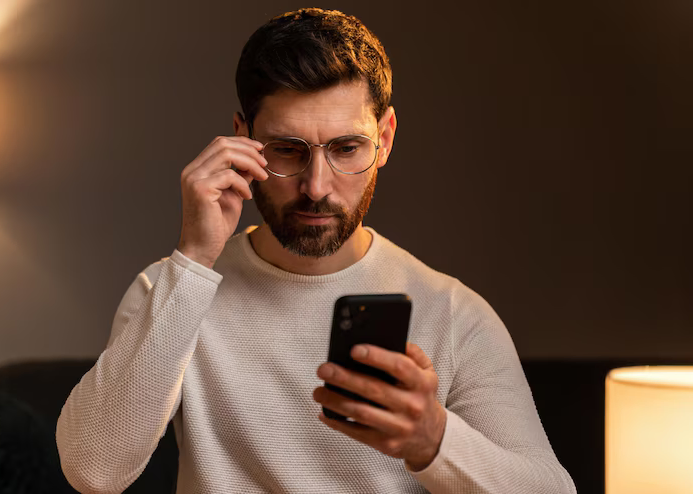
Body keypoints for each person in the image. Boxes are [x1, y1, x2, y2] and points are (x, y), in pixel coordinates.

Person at [56, 8, 576, 494]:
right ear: (243, 139)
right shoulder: (171, 291)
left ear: (386, 139)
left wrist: (433, 441)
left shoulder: (454, 315)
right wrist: (193, 259)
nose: (316, 186)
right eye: (287, 150)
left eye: (347, 149)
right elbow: (93, 471)